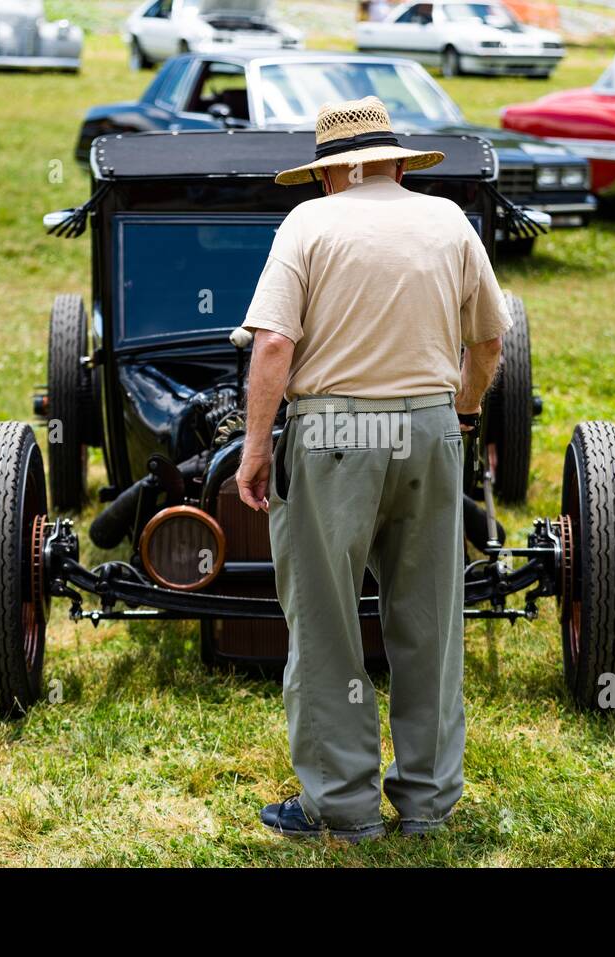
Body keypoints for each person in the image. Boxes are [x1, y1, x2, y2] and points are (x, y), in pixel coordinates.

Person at [235, 97, 511, 842]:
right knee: (429, 622)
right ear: (394, 163)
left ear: (334, 172)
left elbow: (271, 348)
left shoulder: (310, 225)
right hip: (427, 428)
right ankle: (426, 801)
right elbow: (489, 342)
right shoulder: (449, 222)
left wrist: (257, 446)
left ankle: (342, 806)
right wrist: (458, 413)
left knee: (325, 624)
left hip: (332, 434)